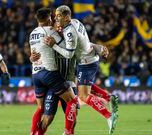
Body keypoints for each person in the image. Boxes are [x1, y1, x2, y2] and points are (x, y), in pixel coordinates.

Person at [44, 5, 118, 135]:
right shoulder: (76, 22)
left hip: (86, 63)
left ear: (66, 17)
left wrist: (53, 45)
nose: (56, 18)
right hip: (87, 59)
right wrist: (99, 47)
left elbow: (69, 54)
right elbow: (86, 43)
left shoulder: (70, 32)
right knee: (81, 85)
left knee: (83, 95)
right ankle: (109, 97)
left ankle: (108, 115)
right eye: (55, 15)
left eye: (59, 16)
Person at [29, 8, 78, 135]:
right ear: (48, 19)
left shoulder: (32, 33)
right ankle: (68, 132)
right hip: (51, 74)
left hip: (36, 74)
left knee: (43, 110)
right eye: (52, 17)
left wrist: (31, 58)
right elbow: (67, 50)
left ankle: (34, 133)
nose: (54, 20)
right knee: (72, 102)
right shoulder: (51, 31)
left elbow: (34, 54)